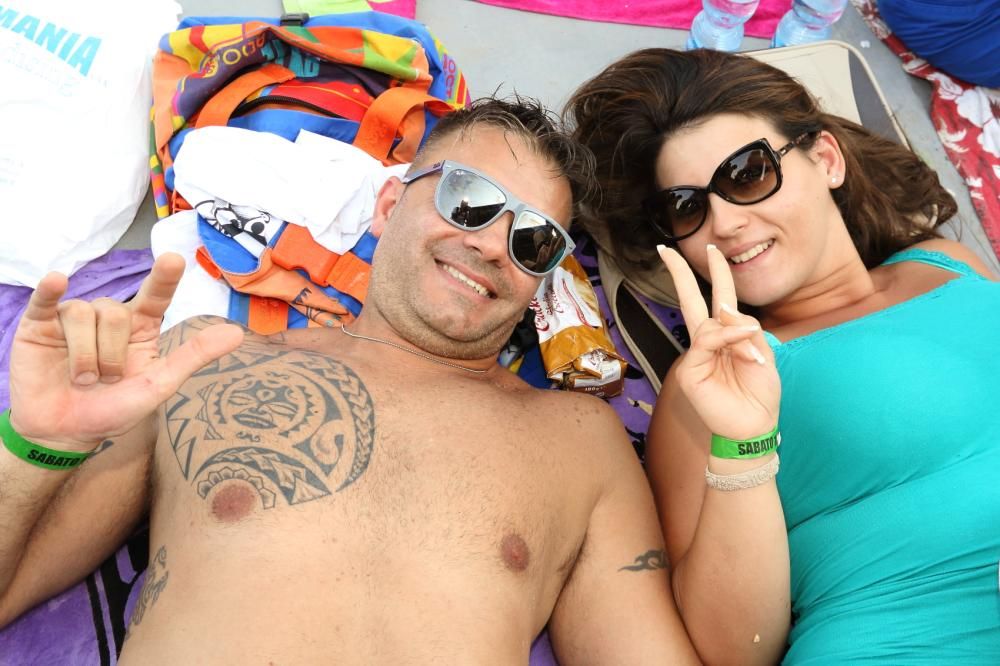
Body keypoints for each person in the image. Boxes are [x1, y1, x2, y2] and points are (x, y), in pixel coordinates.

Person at [0, 98, 700, 664]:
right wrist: (37, 445)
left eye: (534, 240)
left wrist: (740, 448)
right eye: (468, 198)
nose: (492, 244)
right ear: (389, 205)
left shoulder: (579, 441)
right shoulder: (204, 363)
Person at [566, 48, 1000, 664]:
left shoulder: (948, 263)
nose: (724, 223)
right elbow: (732, 650)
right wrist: (744, 444)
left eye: (747, 174)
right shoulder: (714, 382)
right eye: (687, 207)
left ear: (826, 159)